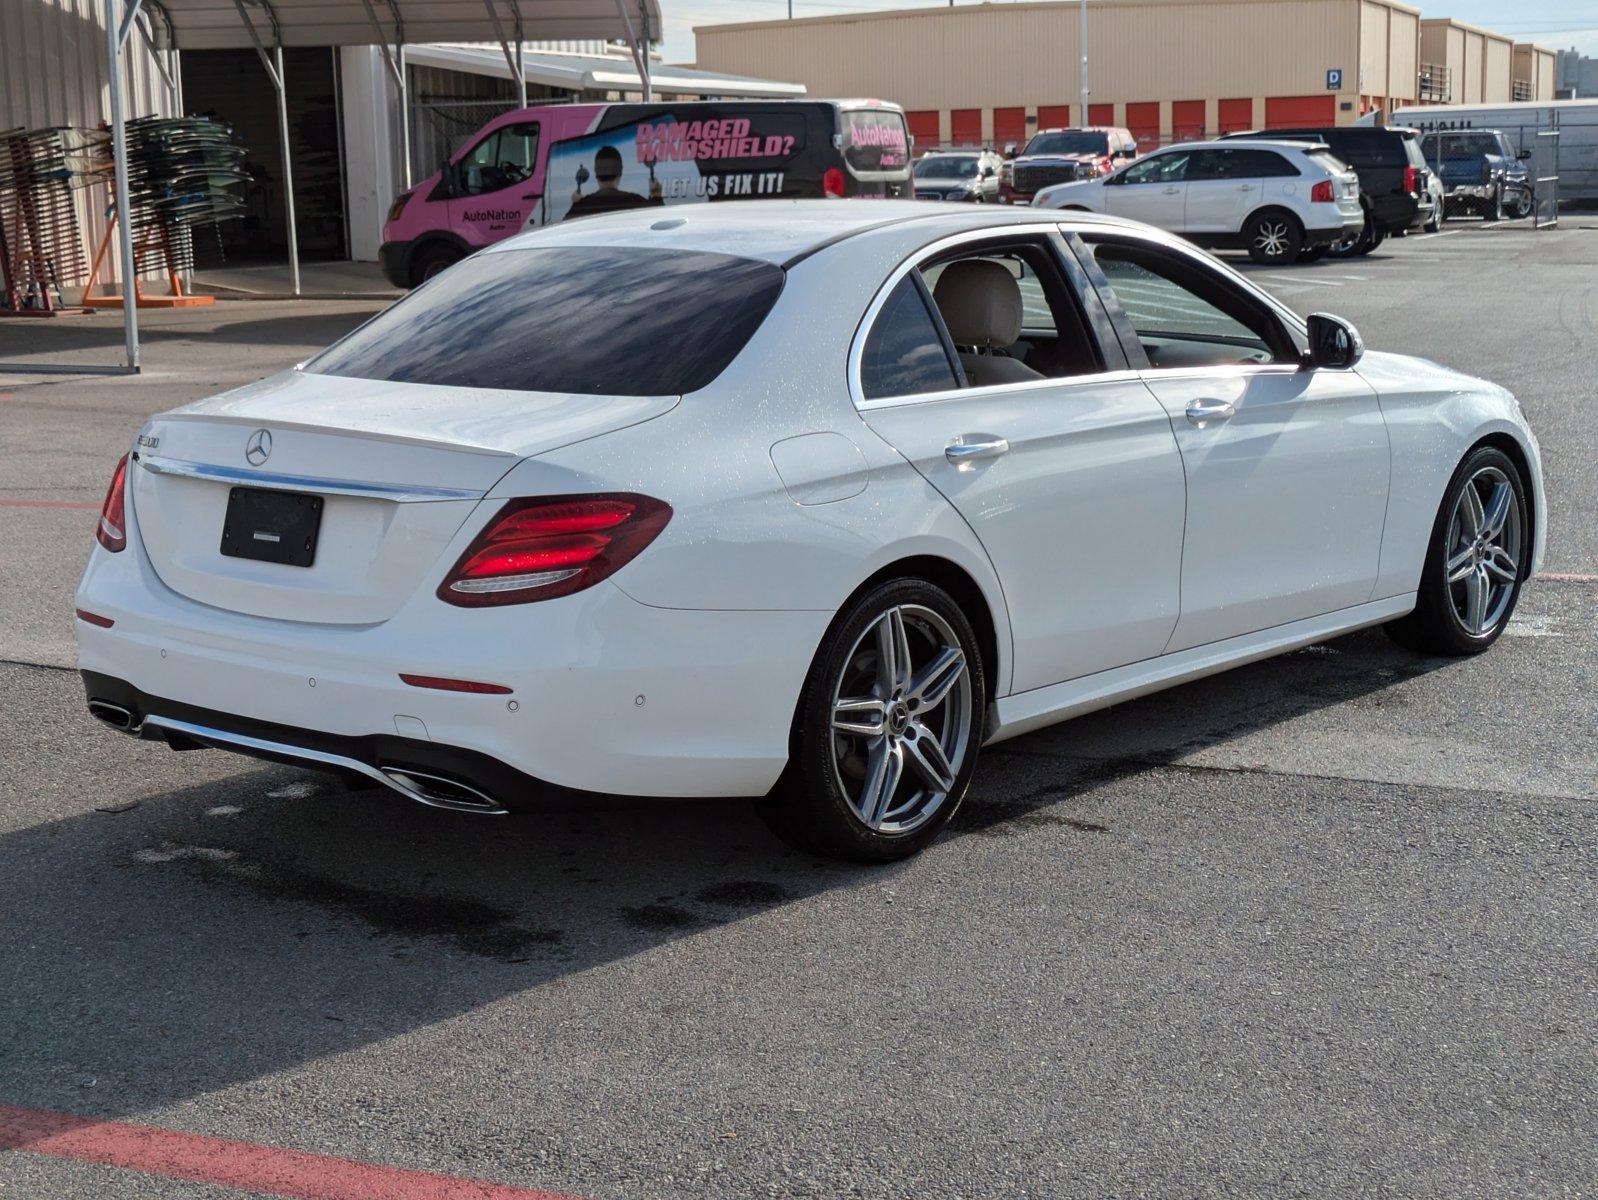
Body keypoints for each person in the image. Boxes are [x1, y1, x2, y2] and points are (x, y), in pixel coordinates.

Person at [565, 144, 663, 219]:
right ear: (620, 172)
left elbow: (564, 230)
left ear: (596, 173)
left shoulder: (582, 207)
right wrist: (656, 196)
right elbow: (659, 221)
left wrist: (576, 204)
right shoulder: (637, 202)